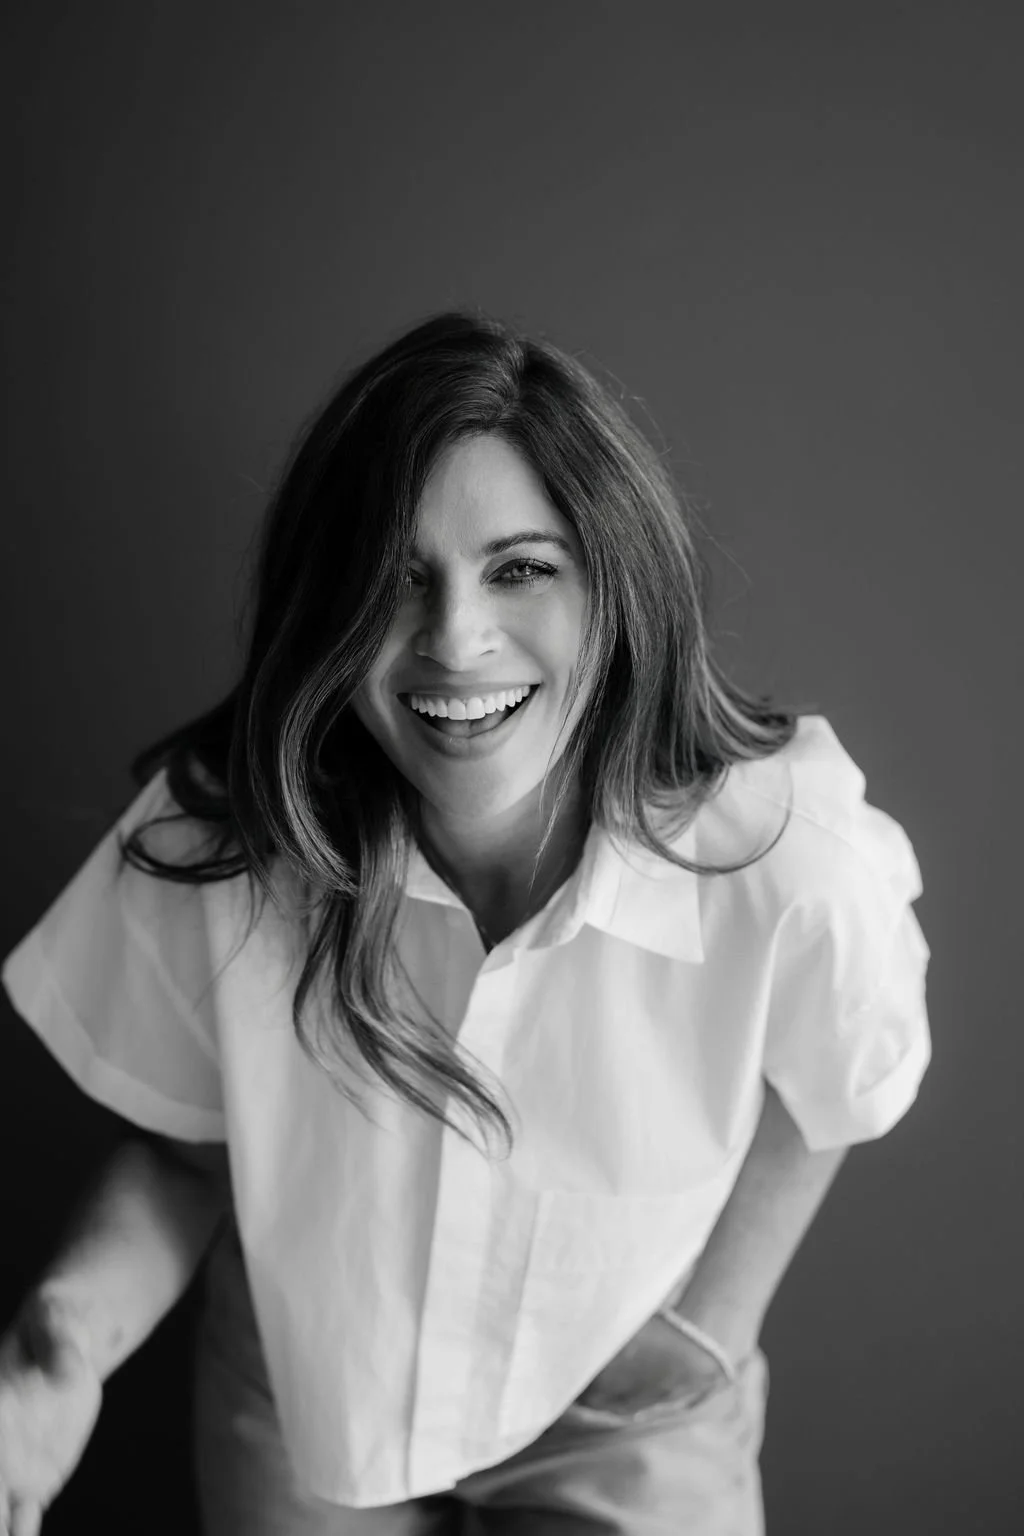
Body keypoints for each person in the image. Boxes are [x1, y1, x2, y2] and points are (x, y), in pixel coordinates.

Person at [0, 309, 932, 1535]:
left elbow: (842, 1082)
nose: (453, 639)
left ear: (615, 584)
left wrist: (713, 1322)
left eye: (521, 568)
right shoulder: (226, 836)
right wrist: (57, 1347)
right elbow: (188, 1154)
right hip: (307, 1383)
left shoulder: (784, 847)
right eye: (396, 576)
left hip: (628, 1412)